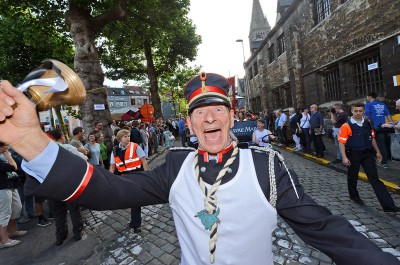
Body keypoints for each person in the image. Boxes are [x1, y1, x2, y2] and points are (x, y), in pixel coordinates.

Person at [0, 77, 399, 264]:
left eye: (218, 110)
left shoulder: (267, 168)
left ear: (231, 117)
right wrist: (30, 142)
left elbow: (326, 229)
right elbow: (105, 190)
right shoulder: (174, 166)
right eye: (199, 113)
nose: (209, 118)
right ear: (189, 125)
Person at [338, 102, 399, 212]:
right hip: (353, 154)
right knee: (353, 176)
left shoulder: (367, 123)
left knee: (375, 178)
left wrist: (378, 152)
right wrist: (344, 157)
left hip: (366, 154)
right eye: (355, 111)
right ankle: (354, 195)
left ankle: (388, 205)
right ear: (351, 111)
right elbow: (341, 142)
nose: (358, 113)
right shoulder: (346, 125)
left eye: (360, 111)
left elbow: (372, 138)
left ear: (363, 111)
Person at [47, 129, 85, 246]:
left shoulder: (43, 151)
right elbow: (83, 159)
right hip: (67, 183)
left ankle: (60, 236)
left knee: (58, 212)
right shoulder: (66, 148)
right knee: (73, 209)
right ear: (61, 136)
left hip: (51, 185)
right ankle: (78, 232)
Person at [109, 129, 148, 233]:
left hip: (136, 177)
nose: (128, 138)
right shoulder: (114, 150)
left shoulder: (135, 146)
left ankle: (136, 224)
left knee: (135, 200)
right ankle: (134, 221)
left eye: (128, 136)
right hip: (123, 178)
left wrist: (146, 175)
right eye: (125, 136)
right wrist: (109, 179)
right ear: (119, 138)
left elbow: (144, 161)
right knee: (130, 200)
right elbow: (112, 167)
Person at [0, 142, 27, 249]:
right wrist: (8, 155)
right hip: (2, 188)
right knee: (5, 213)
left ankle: (12, 231)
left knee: (17, 208)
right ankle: (4, 240)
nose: (6, 149)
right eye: (4, 147)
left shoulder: (2, 156)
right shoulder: (5, 156)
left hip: (10, 185)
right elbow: (13, 167)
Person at [365, 92, 392, 168]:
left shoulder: (368, 105)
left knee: (371, 144)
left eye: (367, 96)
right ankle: (384, 163)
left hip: (372, 127)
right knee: (382, 145)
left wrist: (361, 122)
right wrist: (391, 124)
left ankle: (375, 160)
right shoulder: (382, 104)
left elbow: (366, 115)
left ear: (369, 97)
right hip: (382, 127)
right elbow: (388, 114)